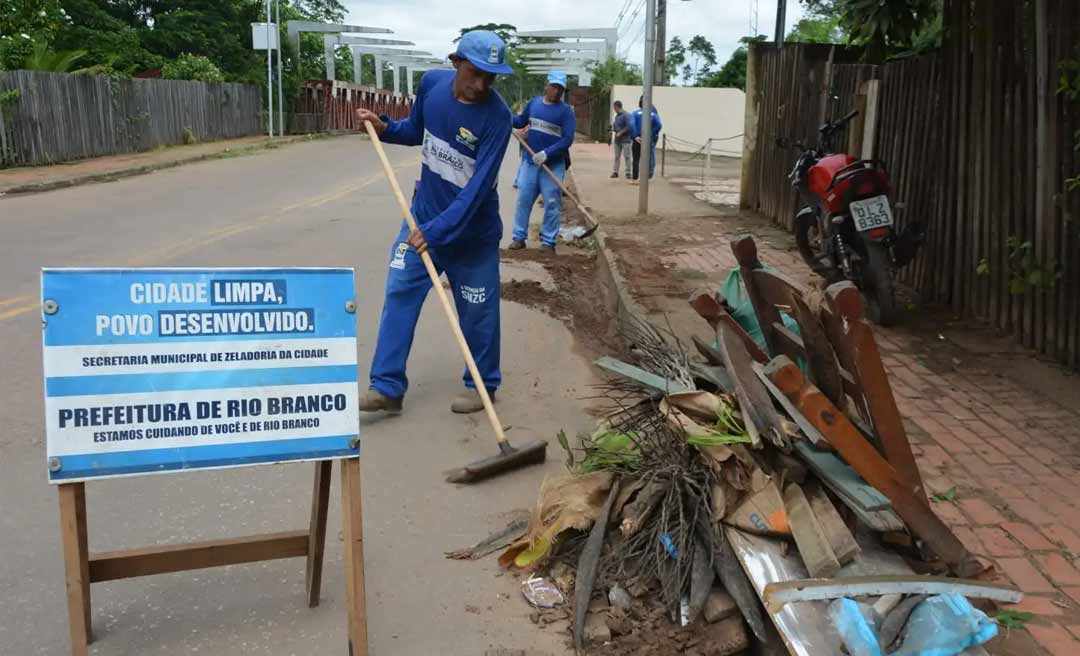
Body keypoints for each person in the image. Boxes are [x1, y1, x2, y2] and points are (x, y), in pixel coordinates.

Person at [354, 30, 513, 415]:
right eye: (475, 72)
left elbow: (476, 194)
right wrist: (386, 127)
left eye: (490, 77)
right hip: (422, 221)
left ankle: (481, 385)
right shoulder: (432, 85)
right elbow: (414, 129)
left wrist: (436, 231)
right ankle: (387, 388)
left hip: (471, 236)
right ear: (456, 62)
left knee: (478, 312)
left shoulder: (498, 118)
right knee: (399, 293)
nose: (481, 84)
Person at [507, 71, 576, 253]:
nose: (556, 91)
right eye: (554, 87)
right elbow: (521, 121)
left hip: (552, 165)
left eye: (560, 88)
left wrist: (547, 153)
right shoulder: (534, 104)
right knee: (523, 200)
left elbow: (567, 139)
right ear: (546, 85)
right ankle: (519, 237)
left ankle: (548, 242)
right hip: (530, 163)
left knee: (552, 202)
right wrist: (506, 117)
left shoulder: (566, 112)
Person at [631, 97, 662, 183]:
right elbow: (659, 125)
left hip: (637, 140)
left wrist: (635, 136)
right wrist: (650, 134)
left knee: (636, 159)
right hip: (648, 139)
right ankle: (647, 177)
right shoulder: (652, 114)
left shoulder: (634, 113)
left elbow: (631, 125)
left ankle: (635, 178)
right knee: (649, 158)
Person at [610, 100, 632, 179]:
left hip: (626, 140)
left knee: (627, 156)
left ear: (617, 107)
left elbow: (629, 126)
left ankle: (628, 172)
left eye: (614, 107)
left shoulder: (626, 115)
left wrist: (621, 132)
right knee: (617, 157)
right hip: (617, 140)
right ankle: (615, 172)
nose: (614, 109)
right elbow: (616, 126)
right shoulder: (617, 116)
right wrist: (613, 129)